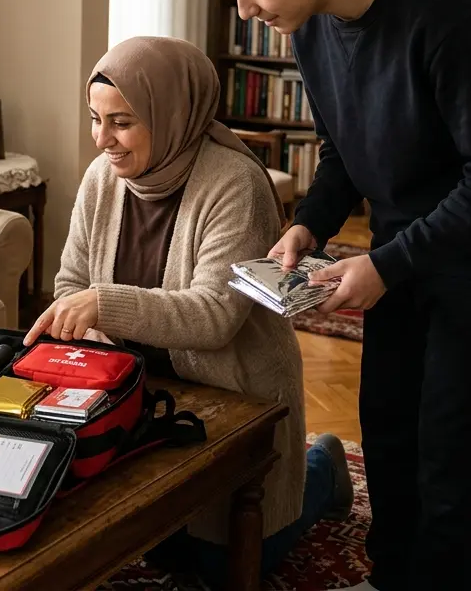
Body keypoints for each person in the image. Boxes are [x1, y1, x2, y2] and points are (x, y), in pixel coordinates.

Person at [186, 0, 471, 591]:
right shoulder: (314, 26)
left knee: (452, 447)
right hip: (401, 245)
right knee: (388, 430)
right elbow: (346, 152)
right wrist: (311, 224)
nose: (246, 11)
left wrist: (386, 263)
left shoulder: (452, 16)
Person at [23, 36, 353, 582]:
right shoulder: (101, 178)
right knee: (100, 537)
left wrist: (103, 305)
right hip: (137, 396)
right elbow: (70, 283)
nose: (102, 139)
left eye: (122, 122)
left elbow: (214, 316)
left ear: (172, 114)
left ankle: (322, 470)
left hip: (232, 397)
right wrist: (89, 333)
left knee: (215, 567)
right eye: (95, 118)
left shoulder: (236, 184)